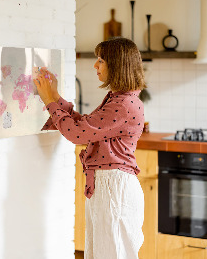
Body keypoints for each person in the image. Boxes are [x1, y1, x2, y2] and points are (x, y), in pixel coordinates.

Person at [34, 37, 146, 259]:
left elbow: (77, 134)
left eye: (101, 60)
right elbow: (85, 126)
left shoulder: (123, 104)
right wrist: (55, 97)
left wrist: (49, 101)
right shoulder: (119, 99)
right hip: (109, 186)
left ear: (117, 65)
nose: (95, 65)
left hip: (114, 188)